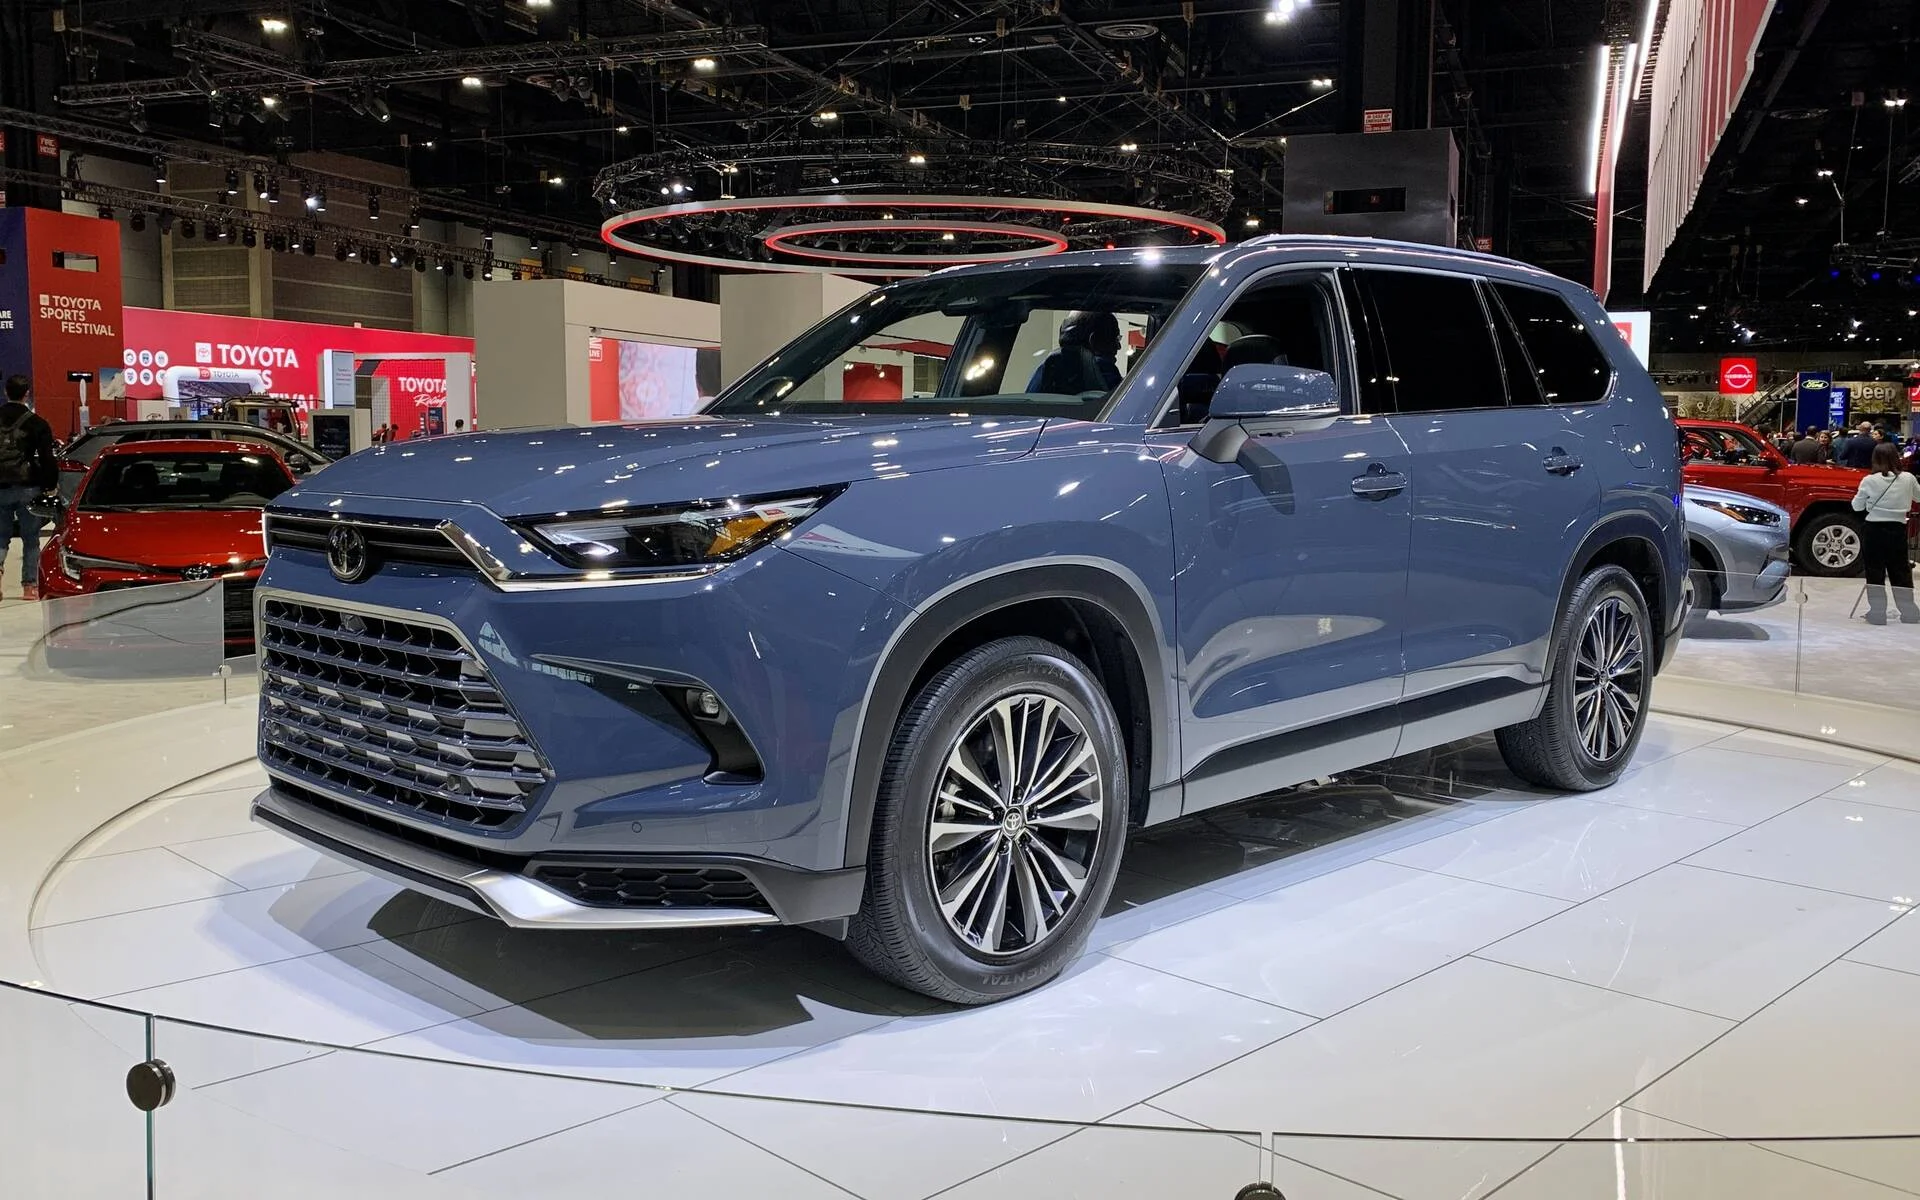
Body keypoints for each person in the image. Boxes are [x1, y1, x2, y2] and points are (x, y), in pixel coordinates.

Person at [0, 374, 58, 602]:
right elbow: (47, 458)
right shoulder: (37, 423)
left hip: (0, 487)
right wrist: (50, 486)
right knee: (31, 538)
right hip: (28, 486)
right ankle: (30, 587)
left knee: (0, 535)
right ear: (27, 394)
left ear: (6, 392)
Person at [1852, 440, 1920, 624]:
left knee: (1875, 572)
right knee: (1901, 571)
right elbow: (1918, 497)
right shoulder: (1908, 478)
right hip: (1898, 529)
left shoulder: (1869, 480)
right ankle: (1910, 612)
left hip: (1874, 530)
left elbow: (1857, 506)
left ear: (1875, 459)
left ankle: (1877, 613)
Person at [1028, 311, 1123, 395]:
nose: (1119, 346)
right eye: (1115, 339)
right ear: (1094, 341)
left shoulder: (1045, 368)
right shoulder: (1103, 370)